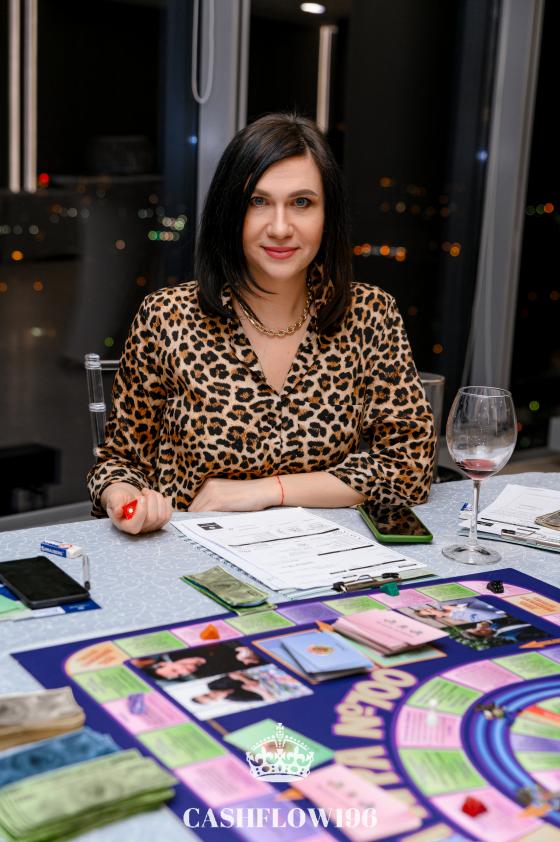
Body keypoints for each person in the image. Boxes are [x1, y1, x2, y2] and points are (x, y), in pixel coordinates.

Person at [87, 113, 436, 534]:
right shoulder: (166, 317)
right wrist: (125, 500)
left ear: (328, 215)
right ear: (229, 212)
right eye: (258, 202)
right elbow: (119, 464)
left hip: (319, 555)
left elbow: (409, 467)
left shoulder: (370, 315)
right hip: (192, 554)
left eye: (302, 203)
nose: (281, 228)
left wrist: (268, 490)